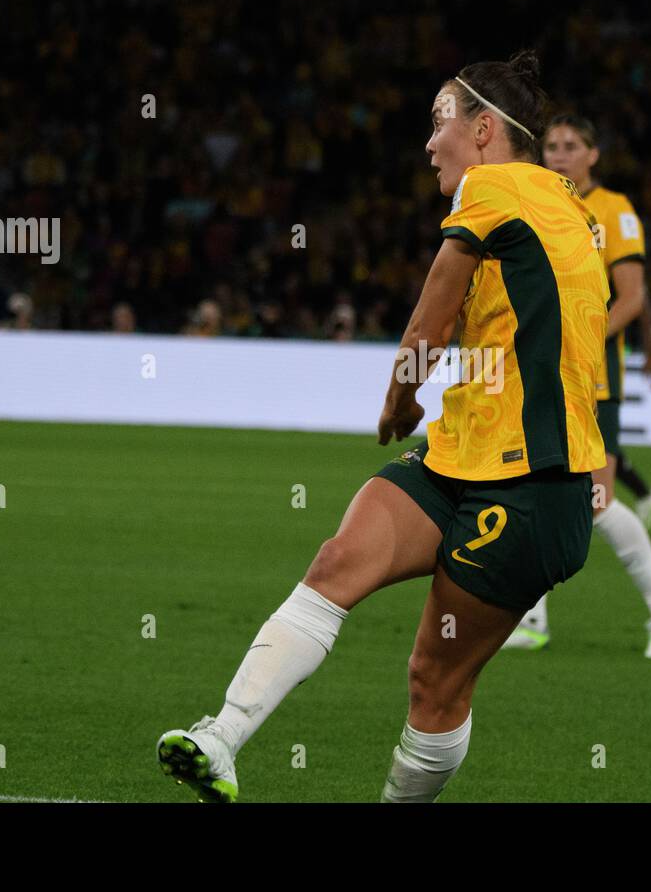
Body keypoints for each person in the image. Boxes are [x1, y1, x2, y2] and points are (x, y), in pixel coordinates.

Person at [156, 51, 610, 802]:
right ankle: (221, 737)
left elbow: (432, 310)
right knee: (336, 563)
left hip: (535, 486)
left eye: (439, 123)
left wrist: (400, 399)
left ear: (486, 130)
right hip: (463, 452)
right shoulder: (564, 204)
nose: (430, 144)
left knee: (434, 679)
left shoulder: (494, 185)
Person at [503, 115, 651, 658]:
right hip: (544, 373)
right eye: (550, 146)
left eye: (570, 146)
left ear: (593, 154)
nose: (557, 155)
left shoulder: (614, 210)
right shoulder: (542, 204)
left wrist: (578, 339)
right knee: (534, 487)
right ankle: (533, 617)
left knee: (596, 499)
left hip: (594, 377)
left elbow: (631, 297)